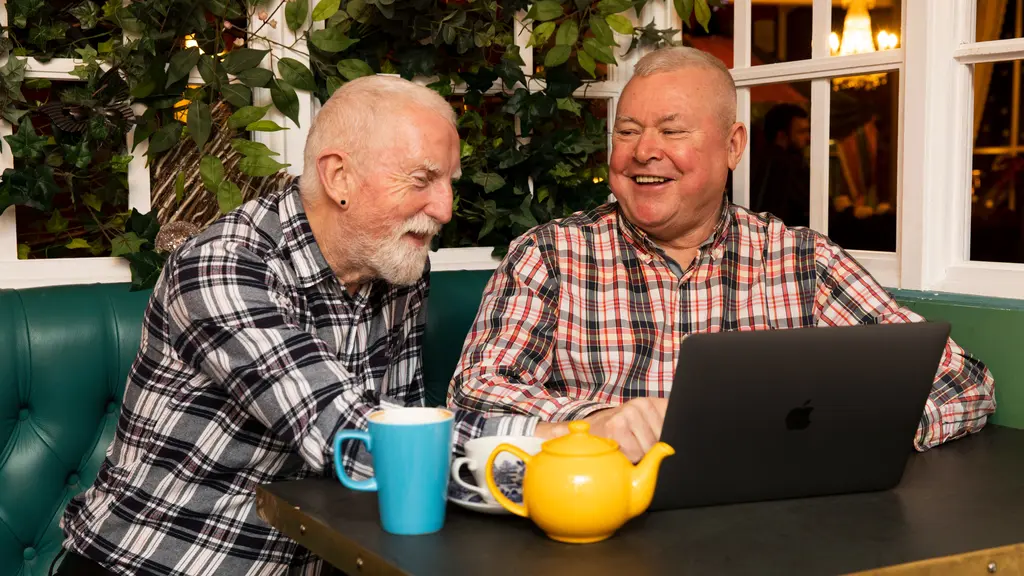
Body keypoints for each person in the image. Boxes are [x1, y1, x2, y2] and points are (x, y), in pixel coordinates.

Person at [55, 75, 535, 576]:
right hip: (152, 564)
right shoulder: (223, 265)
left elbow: (401, 432)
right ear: (339, 177)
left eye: (448, 183)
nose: (444, 208)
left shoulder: (396, 265)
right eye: (421, 180)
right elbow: (353, 434)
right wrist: (559, 439)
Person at [448, 46, 996, 464]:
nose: (643, 151)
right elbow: (471, 401)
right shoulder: (549, 256)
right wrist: (594, 421)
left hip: (772, 536)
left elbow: (964, 379)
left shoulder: (803, 262)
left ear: (733, 145)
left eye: (671, 130)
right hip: (602, 531)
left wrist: (842, 430)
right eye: (628, 131)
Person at [750, 103, 811, 226]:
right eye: (801, 132)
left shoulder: (757, 159)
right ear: (782, 136)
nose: (808, 138)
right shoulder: (788, 166)